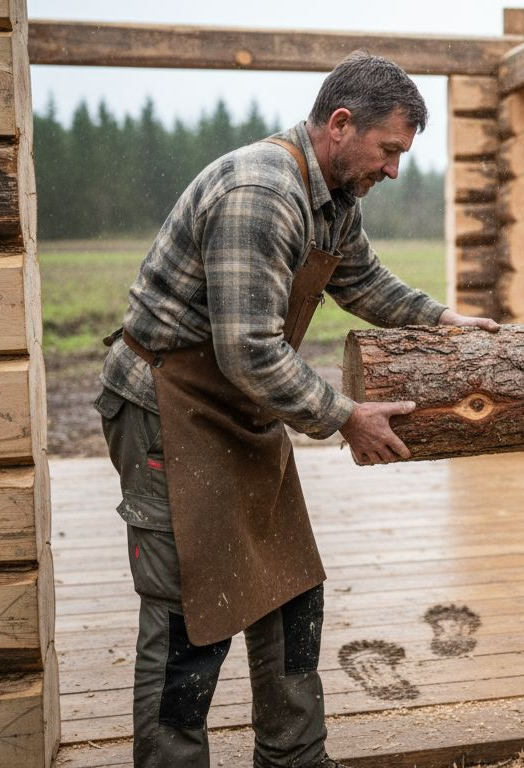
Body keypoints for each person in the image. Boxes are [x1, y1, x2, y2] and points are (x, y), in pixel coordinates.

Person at [94, 52, 499, 768]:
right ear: (340, 124)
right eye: (389, 150)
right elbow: (249, 351)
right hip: (169, 407)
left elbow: (363, 280)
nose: (394, 170)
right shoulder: (262, 191)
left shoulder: (335, 196)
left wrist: (442, 320)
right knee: (190, 611)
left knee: (291, 588)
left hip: (243, 407)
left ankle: (294, 760)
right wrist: (346, 416)